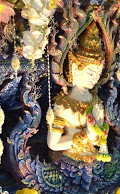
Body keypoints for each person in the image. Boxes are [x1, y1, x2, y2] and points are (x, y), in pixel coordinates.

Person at [47, 22, 110, 164]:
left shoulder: (96, 100)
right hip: (69, 160)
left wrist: (98, 131)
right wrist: (86, 135)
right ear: (75, 69)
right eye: (90, 73)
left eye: (98, 73)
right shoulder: (63, 105)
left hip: (95, 159)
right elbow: (53, 144)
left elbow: (98, 141)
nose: (95, 78)